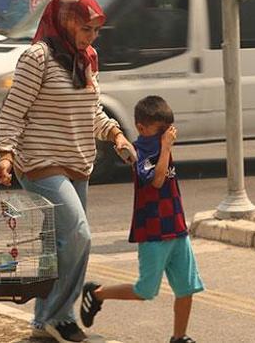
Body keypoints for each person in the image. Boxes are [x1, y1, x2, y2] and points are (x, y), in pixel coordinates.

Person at [0, 0, 135, 343]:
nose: (91, 37)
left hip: (77, 163)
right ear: (66, 22)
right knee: (78, 234)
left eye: (95, 31)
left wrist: (116, 136)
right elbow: (14, 111)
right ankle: (62, 317)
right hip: (40, 162)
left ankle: (45, 323)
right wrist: (6, 154)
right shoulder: (36, 58)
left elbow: (92, 112)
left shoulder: (87, 58)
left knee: (56, 245)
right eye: (86, 29)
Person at [79, 95, 204, 343]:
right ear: (141, 128)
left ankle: (179, 336)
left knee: (187, 287)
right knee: (145, 291)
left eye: (167, 131)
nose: (166, 136)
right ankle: (97, 293)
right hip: (153, 232)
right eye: (160, 132)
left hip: (176, 227)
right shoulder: (140, 152)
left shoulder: (160, 144)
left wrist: (165, 146)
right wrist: (166, 148)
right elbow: (156, 182)